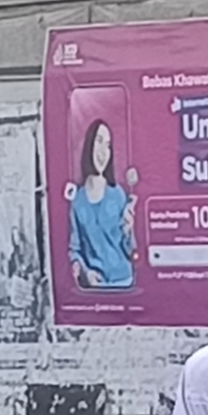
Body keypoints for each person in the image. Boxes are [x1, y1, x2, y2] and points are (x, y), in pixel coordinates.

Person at [66, 120, 136, 291]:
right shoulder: (77, 201)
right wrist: (86, 272)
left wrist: (129, 231)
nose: (103, 151)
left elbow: (130, 250)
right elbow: (74, 250)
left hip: (123, 281)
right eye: (99, 141)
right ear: (89, 145)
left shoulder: (117, 194)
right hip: (96, 288)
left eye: (108, 145)